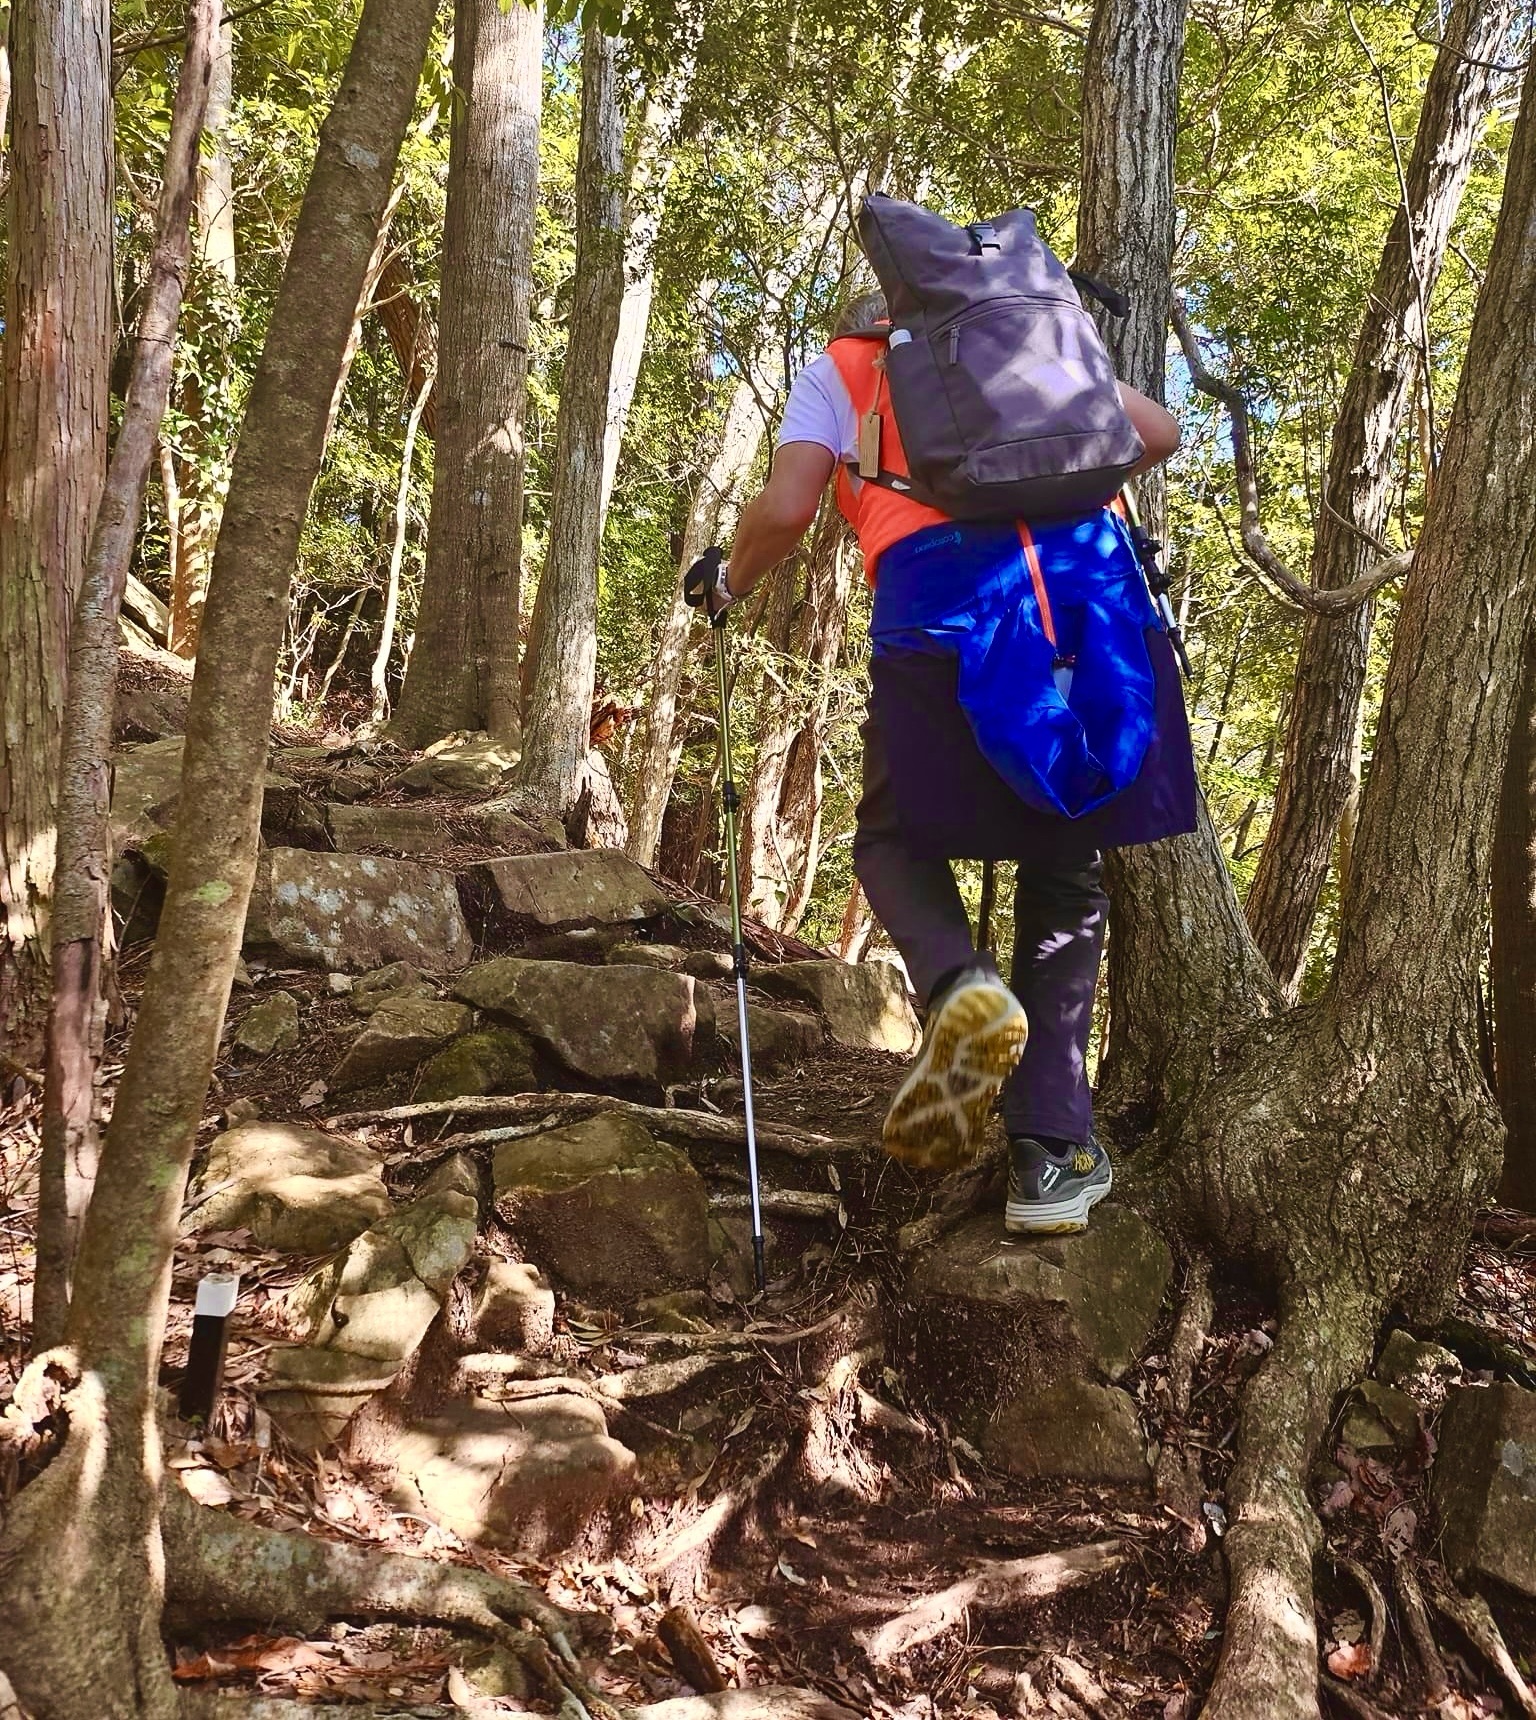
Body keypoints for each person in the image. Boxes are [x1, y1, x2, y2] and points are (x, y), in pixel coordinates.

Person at [686, 289, 1197, 1235]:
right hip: (1087, 607)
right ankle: (1049, 1158)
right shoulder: (1031, 340)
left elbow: (791, 503)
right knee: (1063, 866)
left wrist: (728, 581)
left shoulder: (845, 367)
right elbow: (1158, 434)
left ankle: (963, 989)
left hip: (942, 614)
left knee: (890, 841)